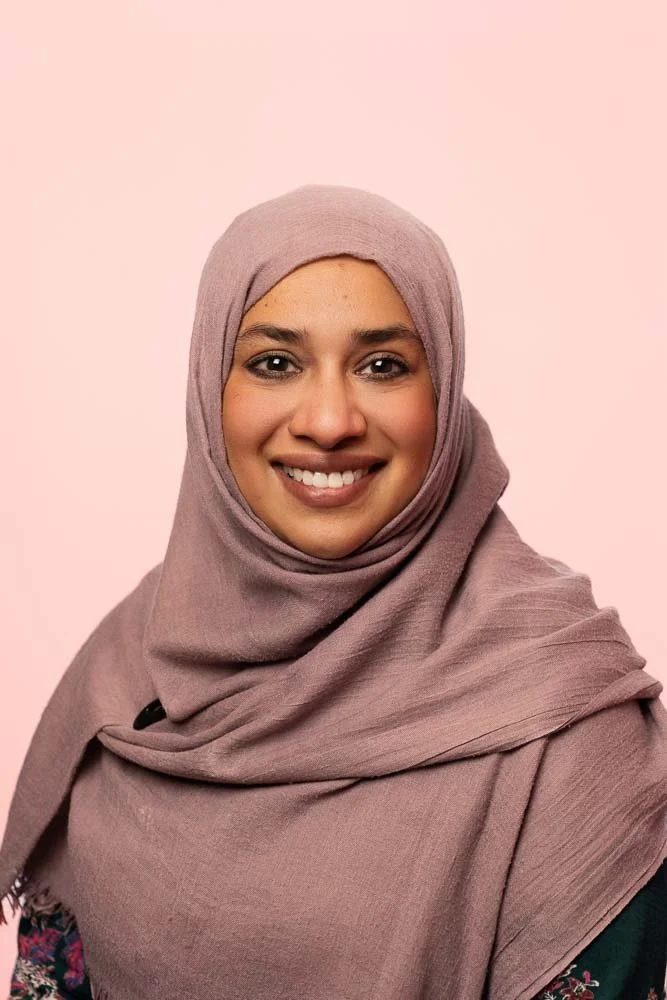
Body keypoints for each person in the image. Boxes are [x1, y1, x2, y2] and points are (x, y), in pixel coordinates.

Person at [1, 185, 665, 1000]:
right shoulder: (125, 674)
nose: (327, 419)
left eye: (382, 365)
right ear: (211, 387)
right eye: (275, 362)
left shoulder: (565, 728)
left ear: (444, 390)